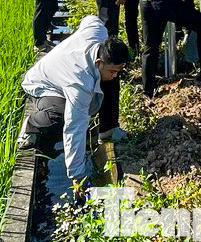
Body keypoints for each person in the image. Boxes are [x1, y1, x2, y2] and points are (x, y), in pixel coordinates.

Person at [18, 16, 130, 188]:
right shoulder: (80, 83)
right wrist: (77, 174)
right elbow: (75, 127)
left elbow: (91, 20)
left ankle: (108, 130)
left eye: (118, 70)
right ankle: (32, 125)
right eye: (112, 70)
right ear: (99, 61)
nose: (115, 74)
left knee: (111, 81)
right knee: (59, 115)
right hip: (43, 85)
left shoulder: (99, 34)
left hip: (63, 75)